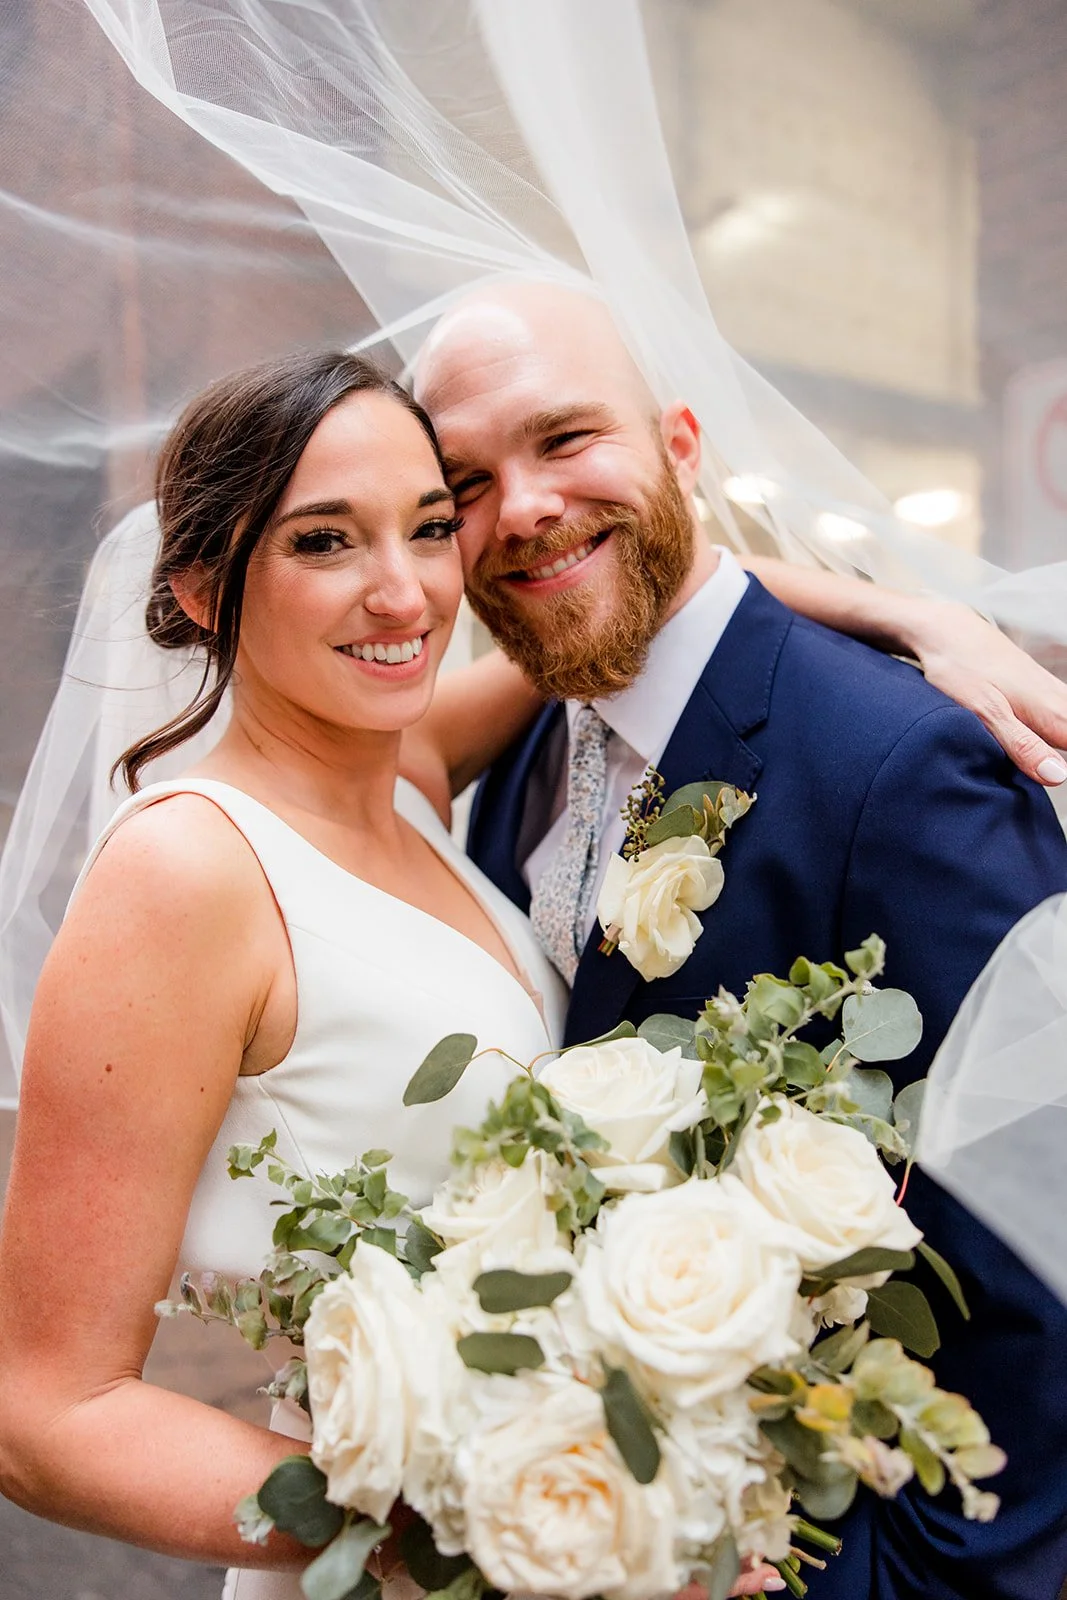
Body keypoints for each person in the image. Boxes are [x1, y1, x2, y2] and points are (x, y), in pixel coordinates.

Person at [0, 344, 1061, 1600]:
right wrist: (487, 1518)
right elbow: (43, 1416)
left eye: (429, 526)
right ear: (200, 584)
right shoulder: (185, 868)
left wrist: (904, 613)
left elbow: (629, 600)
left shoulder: (412, 781)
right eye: (323, 542)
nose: (401, 593)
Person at [410, 279, 1067, 1600]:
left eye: (564, 439)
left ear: (682, 446)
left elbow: (1044, 1277)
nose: (522, 506)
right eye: (464, 483)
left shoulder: (902, 767)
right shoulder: (521, 749)